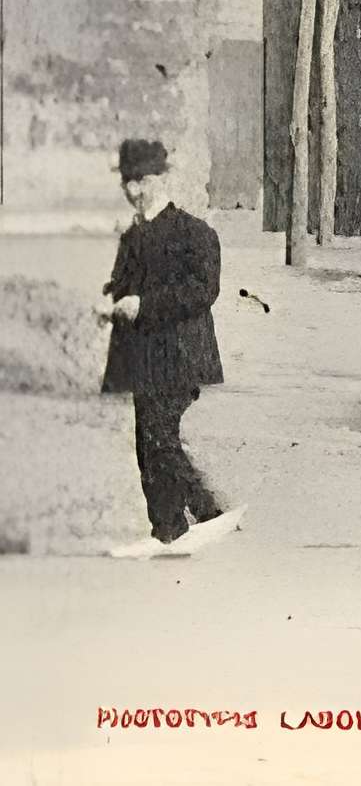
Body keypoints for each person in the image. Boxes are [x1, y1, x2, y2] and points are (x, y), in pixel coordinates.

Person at [99, 139, 239, 560]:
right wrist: (110, 302)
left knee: (161, 440)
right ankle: (167, 530)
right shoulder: (132, 237)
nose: (134, 190)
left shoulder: (195, 233)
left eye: (141, 180)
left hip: (181, 356)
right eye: (128, 181)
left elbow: (202, 290)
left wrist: (143, 304)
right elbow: (122, 284)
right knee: (148, 446)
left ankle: (209, 511)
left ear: (162, 179)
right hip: (143, 359)